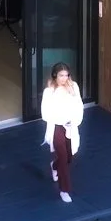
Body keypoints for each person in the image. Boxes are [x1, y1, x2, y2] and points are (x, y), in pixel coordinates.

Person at [39, 62, 82, 203]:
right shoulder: (49, 91)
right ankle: (64, 190)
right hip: (57, 126)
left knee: (69, 157)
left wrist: (74, 121)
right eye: (61, 75)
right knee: (63, 157)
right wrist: (61, 119)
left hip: (71, 126)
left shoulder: (73, 87)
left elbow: (79, 105)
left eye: (66, 75)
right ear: (55, 76)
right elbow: (45, 114)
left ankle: (54, 165)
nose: (64, 78)